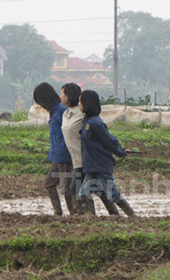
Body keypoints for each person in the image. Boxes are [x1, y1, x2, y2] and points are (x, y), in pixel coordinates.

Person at [78, 90, 135, 216]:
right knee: (83, 194)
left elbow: (110, 140)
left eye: (80, 101)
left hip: (102, 166)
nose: (79, 103)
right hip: (91, 166)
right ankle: (91, 218)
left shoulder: (95, 123)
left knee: (112, 194)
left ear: (87, 103)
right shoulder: (87, 122)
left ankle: (132, 216)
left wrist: (121, 152)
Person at [33, 82, 75, 216]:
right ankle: (58, 212)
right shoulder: (53, 111)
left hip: (65, 156)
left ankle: (75, 214)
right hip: (57, 156)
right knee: (50, 184)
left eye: (40, 101)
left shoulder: (62, 110)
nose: (40, 105)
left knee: (66, 188)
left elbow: (69, 132)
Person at [60, 83, 96, 215]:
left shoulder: (81, 115)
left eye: (62, 94)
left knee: (78, 189)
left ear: (69, 97)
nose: (60, 97)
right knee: (80, 189)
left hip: (84, 159)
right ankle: (85, 215)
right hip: (75, 159)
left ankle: (87, 215)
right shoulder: (65, 114)